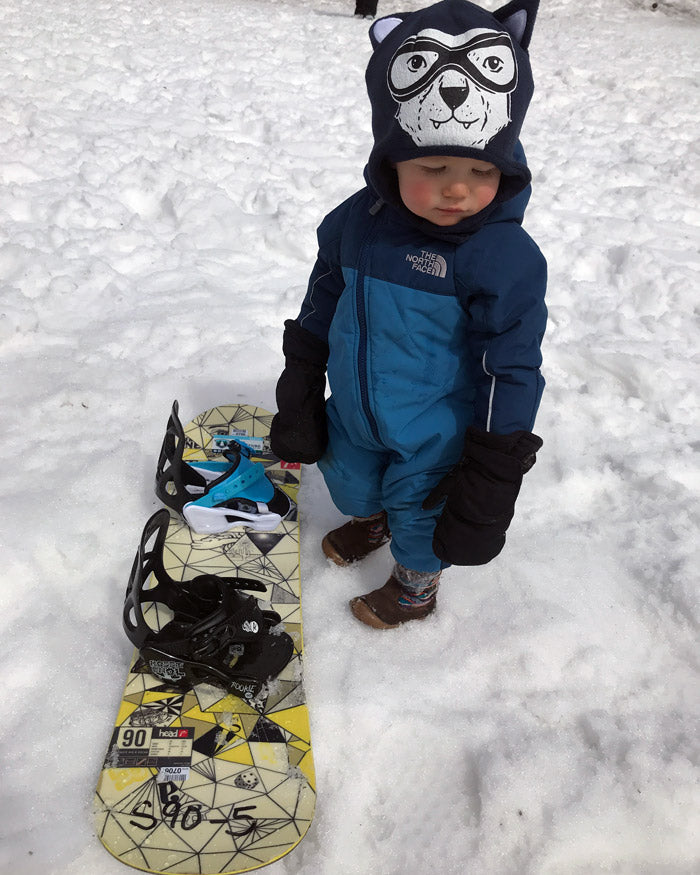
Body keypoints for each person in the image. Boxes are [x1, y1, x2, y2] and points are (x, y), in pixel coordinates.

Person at [270, 0, 547, 629]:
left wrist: (496, 465)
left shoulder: (499, 257)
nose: (457, 188)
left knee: (423, 513)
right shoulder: (355, 223)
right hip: (357, 409)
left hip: (437, 430)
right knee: (351, 479)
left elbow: (514, 367)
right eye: (433, 167)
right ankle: (374, 518)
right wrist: (302, 380)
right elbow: (322, 298)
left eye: (480, 170)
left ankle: (415, 586)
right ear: (391, 158)